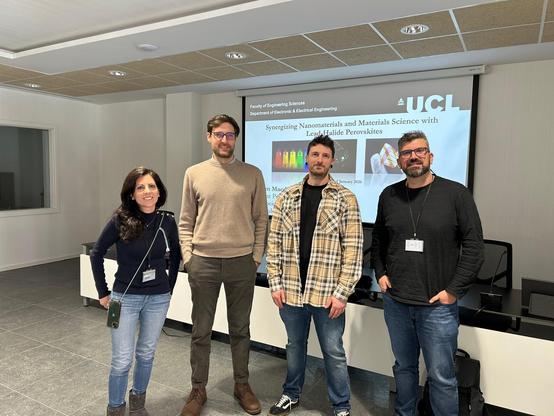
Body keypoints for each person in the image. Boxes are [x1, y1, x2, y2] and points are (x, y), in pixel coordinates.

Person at [371, 130, 484, 416]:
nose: (414, 157)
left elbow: (474, 246)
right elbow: (379, 240)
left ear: (430, 155)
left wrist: (453, 291)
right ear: (399, 161)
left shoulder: (456, 194)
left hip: (437, 307)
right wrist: (380, 272)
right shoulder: (389, 195)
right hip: (396, 303)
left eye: (420, 151)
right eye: (407, 153)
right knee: (404, 369)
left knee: (442, 377)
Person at [266, 135, 363, 416]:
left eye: (325, 155)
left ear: (332, 161)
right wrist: (275, 283)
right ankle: (291, 394)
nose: (319, 160)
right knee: (295, 346)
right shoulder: (286, 196)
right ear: (306, 159)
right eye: (314, 154)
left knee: (333, 352)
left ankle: (341, 405)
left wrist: (342, 293)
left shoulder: (346, 198)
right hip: (292, 291)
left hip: (327, 294)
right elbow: (273, 244)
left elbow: (354, 250)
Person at [178, 114, 268, 416]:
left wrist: (256, 256)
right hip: (202, 262)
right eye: (219, 134)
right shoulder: (194, 173)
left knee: (240, 329)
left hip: (241, 262)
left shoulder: (252, 173)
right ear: (209, 137)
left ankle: (241, 385)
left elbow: (260, 219)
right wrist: (189, 258)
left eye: (230, 135)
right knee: (201, 330)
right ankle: (198, 388)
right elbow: (186, 220)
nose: (224, 140)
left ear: (236, 138)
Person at [90, 167, 181, 416]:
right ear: (131, 194)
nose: (147, 191)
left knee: (146, 354)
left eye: (152, 186)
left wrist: (168, 288)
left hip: (158, 299)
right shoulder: (120, 220)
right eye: (140, 187)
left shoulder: (167, 221)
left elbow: (177, 256)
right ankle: (116, 408)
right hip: (124, 299)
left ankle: (138, 406)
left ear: (159, 191)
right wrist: (103, 292)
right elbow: (96, 253)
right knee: (121, 360)